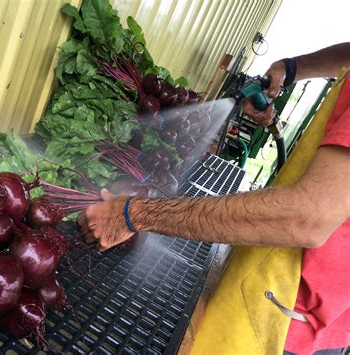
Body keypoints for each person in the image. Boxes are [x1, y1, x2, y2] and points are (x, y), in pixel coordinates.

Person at [78, 43, 350, 353]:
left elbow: (306, 218)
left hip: (282, 327)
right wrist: (292, 68)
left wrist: (134, 213)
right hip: (275, 296)